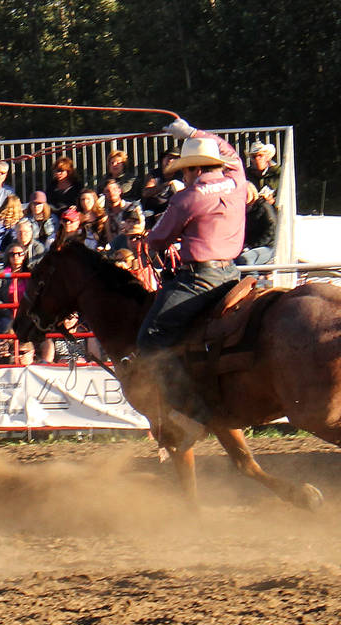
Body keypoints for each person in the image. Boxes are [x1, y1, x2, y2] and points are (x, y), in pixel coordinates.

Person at [127, 119, 254, 424]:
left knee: (151, 338)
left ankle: (190, 414)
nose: (183, 174)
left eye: (185, 168)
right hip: (232, 274)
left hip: (200, 279)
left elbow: (159, 238)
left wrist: (147, 238)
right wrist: (191, 132)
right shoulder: (236, 179)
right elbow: (231, 151)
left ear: (196, 169)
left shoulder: (188, 198)